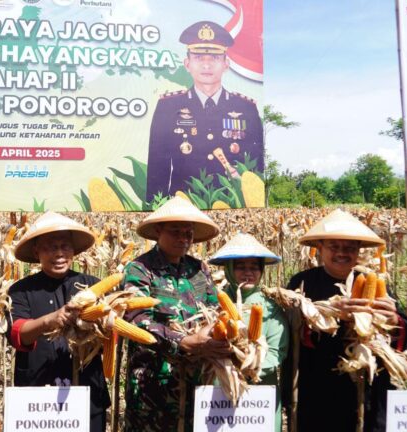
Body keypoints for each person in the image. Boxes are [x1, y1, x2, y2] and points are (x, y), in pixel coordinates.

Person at [285, 209, 407, 432]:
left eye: (350, 248)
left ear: (358, 252)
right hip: (319, 390)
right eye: (334, 246)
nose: (342, 253)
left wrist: (392, 321)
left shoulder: (375, 282)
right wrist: (329, 314)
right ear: (320, 249)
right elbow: (288, 331)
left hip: (366, 392)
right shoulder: (303, 282)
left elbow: (404, 333)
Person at [122, 196, 231, 431]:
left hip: (197, 381)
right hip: (152, 387)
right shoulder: (140, 269)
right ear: (158, 231)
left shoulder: (199, 269)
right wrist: (182, 341)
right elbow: (135, 319)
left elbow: (216, 310)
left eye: (188, 233)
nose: (183, 239)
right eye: (175, 232)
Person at [7, 212, 111, 432]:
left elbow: (111, 332)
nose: (59, 254)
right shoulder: (21, 290)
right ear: (37, 251)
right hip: (38, 400)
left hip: (88, 393)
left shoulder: (91, 286)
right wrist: (50, 320)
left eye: (65, 246)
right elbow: (18, 333)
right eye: (50, 247)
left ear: (74, 250)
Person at [146, 20, 263, 203]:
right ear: (187, 63)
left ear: (226, 64)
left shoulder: (246, 108)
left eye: (215, 58)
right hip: (183, 207)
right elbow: (157, 167)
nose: (206, 65)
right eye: (199, 57)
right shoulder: (168, 106)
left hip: (232, 205)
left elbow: (257, 166)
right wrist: (156, 209)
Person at [208, 233, 289, 432]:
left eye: (254, 267)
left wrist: (247, 367)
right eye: (241, 267)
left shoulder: (271, 307)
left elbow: (277, 351)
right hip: (219, 386)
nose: (248, 273)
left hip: (259, 388)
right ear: (228, 269)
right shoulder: (213, 302)